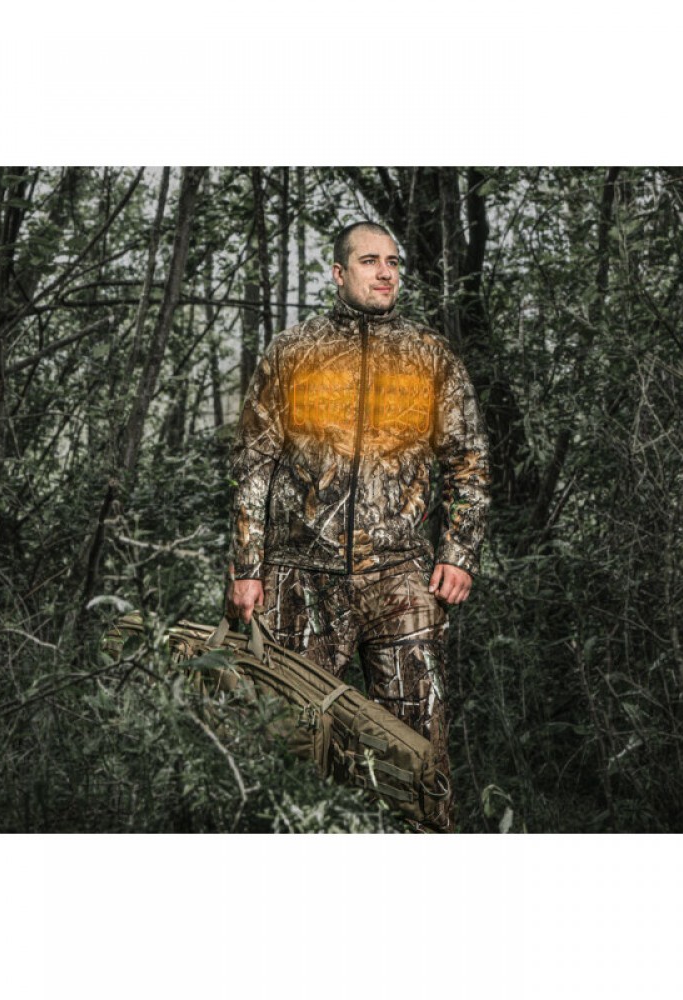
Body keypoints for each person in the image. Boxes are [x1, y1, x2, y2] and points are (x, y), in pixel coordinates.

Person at [227, 221, 490, 830]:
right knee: (293, 743)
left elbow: (468, 460)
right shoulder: (293, 352)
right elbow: (253, 465)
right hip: (300, 578)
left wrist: (458, 551)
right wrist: (247, 566)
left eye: (393, 262)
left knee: (418, 749)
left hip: (400, 580)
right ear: (339, 273)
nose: (385, 273)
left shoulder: (429, 356)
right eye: (370, 261)